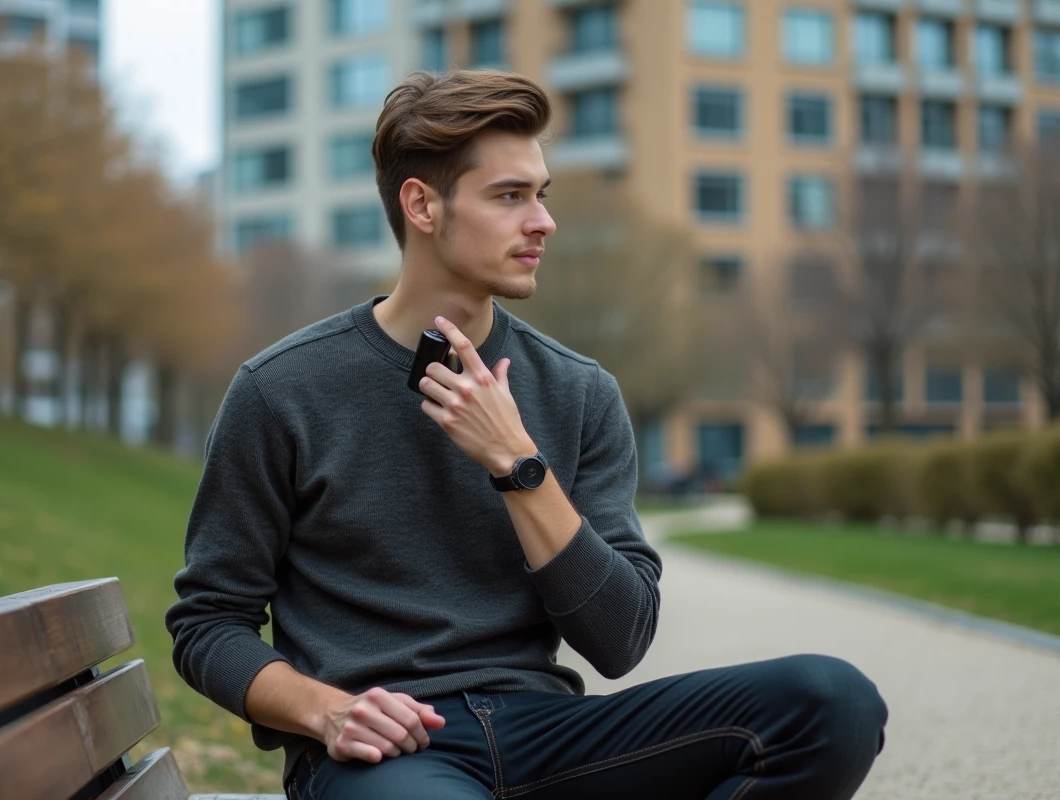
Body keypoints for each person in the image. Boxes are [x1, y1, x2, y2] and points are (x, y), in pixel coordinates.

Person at [165, 69, 887, 800]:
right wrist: (328, 711)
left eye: (541, 195)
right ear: (421, 204)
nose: (542, 221)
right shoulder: (282, 388)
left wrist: (517, 464)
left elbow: (620, 640)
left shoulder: (580, 392)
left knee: (832, 703)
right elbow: (208, 625)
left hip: (550, 735)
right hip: (392, 754)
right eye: (510, 196)